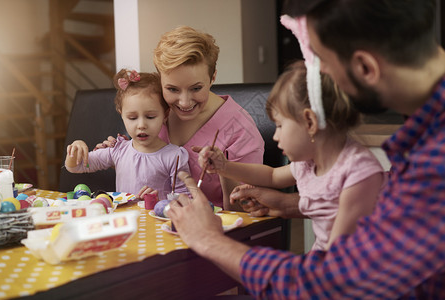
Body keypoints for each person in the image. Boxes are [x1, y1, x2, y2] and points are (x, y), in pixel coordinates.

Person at [166, 0, 445, 298]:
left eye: (320, 61)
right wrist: (290, 205)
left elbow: (332, 286)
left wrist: (208, 239)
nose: (318, 76)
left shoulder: (434, 163)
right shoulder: (424, 139)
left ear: (365, 67)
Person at [198, 60, 384, 251]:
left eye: (279, 125)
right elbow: (271, 176)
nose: (275, 135)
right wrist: (225, 167)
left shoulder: (359, 173)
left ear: (310, 122)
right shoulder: (310, 162)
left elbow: (339, 257)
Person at [94, 25, 264, 210]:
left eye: (196, 88)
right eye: (172, 89)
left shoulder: (240, 130)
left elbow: (246, 211)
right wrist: (127, 156)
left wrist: (225, 170)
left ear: (212, 77)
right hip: (155, 227)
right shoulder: (154, 112)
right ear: (160, 80)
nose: (184, 102)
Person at [65, 69, 190, 200]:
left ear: (165, 115)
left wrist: (159, 201)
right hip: (123, 220)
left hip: (157, 220)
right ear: (122, 115)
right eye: (132, 118)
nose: (141, 125)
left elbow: (187, 199)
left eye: (150, 116)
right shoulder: (118, 150)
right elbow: (76, 166)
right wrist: (76, 148)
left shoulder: (175, 156)